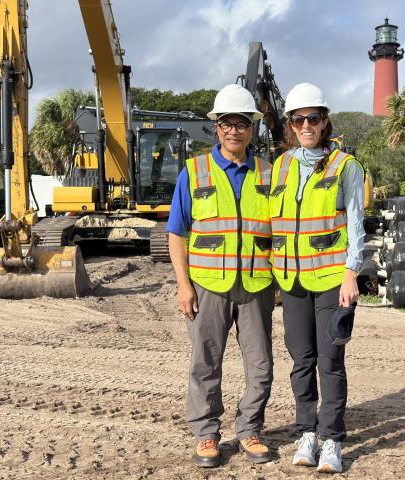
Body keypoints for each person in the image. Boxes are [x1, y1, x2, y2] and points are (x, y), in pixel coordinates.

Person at [167, 84, 275, 468]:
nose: (234, 131)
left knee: (261, 364)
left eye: (242, 124)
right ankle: (207, 435)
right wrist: (184, 286)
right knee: (205, 363)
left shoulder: (268, 173)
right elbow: (176, 232)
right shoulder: (194, 172)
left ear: (252, 129)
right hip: (208, 286)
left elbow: (280, 231)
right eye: (227, 123)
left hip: (257, 286)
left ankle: (249, 430)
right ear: (217, 127)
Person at [269, 83, 365, 474]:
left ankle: (331, 440)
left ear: (325, 122)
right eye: (298, 119)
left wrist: (351, 273)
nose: (306, 124)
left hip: (330, 279)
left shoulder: (346, 167)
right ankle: (306, 432)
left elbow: (357, 225)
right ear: (291, 125)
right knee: (301, 360)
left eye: (313, 118)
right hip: (291, 281)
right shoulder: (282, 166)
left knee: (330, 360)